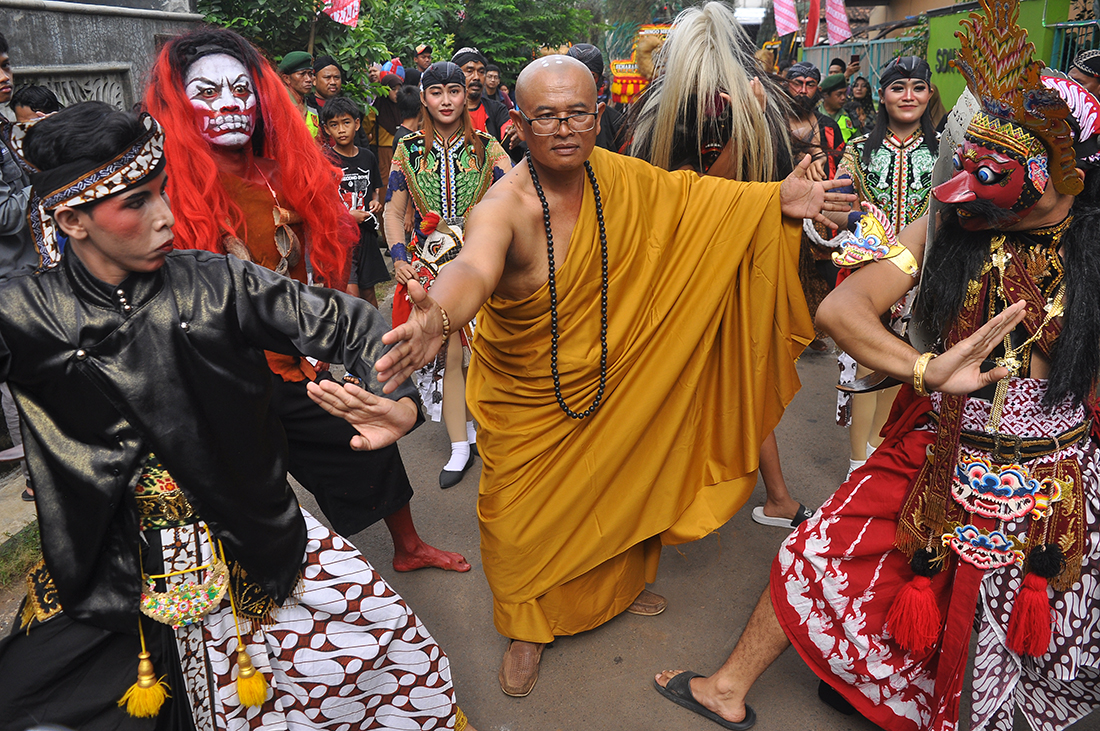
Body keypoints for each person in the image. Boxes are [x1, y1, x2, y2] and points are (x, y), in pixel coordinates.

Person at [653, 1, 1100, 729]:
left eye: (993, 172)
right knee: (816, 556)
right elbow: (841, 312)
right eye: (969, 166)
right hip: (945, 445)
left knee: (1013, 631)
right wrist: (927, 369)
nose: (971, 189)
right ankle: (729, 685)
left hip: (1060, 481)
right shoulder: (949, 221)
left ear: (1060, 173)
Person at [374, 54, 852, 697]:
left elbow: (705, 202)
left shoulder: (626, 179)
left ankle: (612, 592)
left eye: (578, 112)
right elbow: (473, 269)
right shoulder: (505, 205)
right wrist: (440, 317)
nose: (565, 128)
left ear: (599, 116)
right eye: (546, 116)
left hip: (617, 378)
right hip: (529, 397)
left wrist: (779, 199)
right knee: (514, 518)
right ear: (518, 123)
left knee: (621, 486)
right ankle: (526, 625)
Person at [0, 101, 472, 731]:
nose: (166, 217)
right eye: (135, 202)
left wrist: (400, 399)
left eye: (161, 193)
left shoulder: (217, 282)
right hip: (105, 563)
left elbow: (346, 324)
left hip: (252, 539)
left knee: (390, 664)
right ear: (72, 220)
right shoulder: (21, 314)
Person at [145, 28, 469, 572]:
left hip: (298, 362)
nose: (229, 105)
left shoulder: (286, 171)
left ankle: (409, 548)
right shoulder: (159, 189)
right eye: (206, 93)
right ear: (178, 104)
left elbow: (323, 267)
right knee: (240, 501)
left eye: (241, 89)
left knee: (367, 444)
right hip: (219, 377)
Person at [627, 0, 812, 530]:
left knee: (738, 377)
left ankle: (768, 496)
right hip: (687, 269)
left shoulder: (745, 110)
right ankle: (670, 504)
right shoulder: (674, 113)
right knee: (724, 379)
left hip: (730, 267)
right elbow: (665, 197)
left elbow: (771, 192)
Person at [383, 61, 511, 488]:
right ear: (424, 97)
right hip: (431, 266)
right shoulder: (406, 150)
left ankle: (493, 432)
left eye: (453, 91)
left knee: (491, 350)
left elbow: (515, 198)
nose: (445, 100)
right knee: (449, 353)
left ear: (465, 93)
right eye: (436, 92)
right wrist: (399, 255)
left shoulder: (489, 148)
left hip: (482, 260)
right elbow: (394, 210)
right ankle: (460, 445)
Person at [831, 56, 937, 477]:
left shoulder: (949, 149)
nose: (908, 96)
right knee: (865, 360)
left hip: (926, 276)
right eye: (898, 87)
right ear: (882, 95)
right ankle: (858, 463)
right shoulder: (858, 150)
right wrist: (854, 220)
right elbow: (834, 208)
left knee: (908, 359)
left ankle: (882, 451)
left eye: (917, 87)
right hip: (870, 273)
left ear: (930, 94)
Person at [0, 34, 36, 502]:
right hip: (8, 281)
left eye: (5, 65)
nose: (4, 77)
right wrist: (48, 179)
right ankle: (36, 477)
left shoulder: (5, 125)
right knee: (21, 382)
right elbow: (5, 214)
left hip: (26, 272)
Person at [323, 96, 390, 308]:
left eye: (346, 122)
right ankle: (352, 339)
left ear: (357, 124)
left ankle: (376, 338)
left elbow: (375, 189)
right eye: (334, 125)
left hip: (366, 236)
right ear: (327, 130)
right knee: (350, 295)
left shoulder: (367, 157)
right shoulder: (325, 161)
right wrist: (346, 215)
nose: (341, 130)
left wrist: (375, 202)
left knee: (369, 294)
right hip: (339, 236)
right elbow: (321, 203)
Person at [567, 43, 625, 153]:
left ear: (599, 80)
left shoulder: (616, 122)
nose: (581, 81)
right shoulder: (544, 120)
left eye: (591, 75)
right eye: (574, 74)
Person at [451, 47, 513, 146]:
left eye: (481, 72)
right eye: (469, 71)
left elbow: (508, 136)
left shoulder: (497, 109)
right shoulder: (445, 111)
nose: (476, 77)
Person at [276, 50, 319, 136]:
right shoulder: (278, 106)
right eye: (302, 74)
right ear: (286, 79)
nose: (308, 79)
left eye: (310, 74)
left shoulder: (312, 108)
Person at [818, 73, 858, 142]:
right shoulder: (814, 116)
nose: (843, 98)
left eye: (845, 93)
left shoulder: (850, 116)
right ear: (825, 95)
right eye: (839, 94)